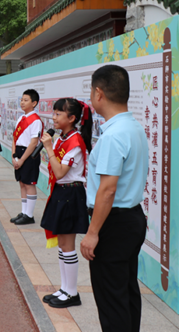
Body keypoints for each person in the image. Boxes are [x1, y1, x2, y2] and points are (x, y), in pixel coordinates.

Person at [80, 66, 148, 331]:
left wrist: (92, 232)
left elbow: (107, 190)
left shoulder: (114, 135)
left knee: (111, 300)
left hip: (113, 223)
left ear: (99, 93)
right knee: (126, 291)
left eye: (91, 92)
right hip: (131, 219)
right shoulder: (133, 127)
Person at [39, 98, 92, 309]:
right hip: (62, 192)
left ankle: (72, 293)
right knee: (62, 244)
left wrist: (48, 148)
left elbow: (60, 171)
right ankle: (64, 289)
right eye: (54, 113)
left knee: (68, 246)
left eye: (58, 113)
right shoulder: (63, 138)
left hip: (71, 194)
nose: (53, 117)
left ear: (72, 118)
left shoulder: (75, 141)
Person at [10, 89, 43, 226]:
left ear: (34, 103)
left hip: (29, 154)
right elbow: (15, 138)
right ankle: (24, 212)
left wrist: (22, 159)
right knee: (22, 183)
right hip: (19, 152)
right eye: (21, 100)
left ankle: (29, 215)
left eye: (26, 100)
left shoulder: (35, 120)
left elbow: (34, 143)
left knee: (29, 184)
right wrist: (14, 156)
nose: (22, 102)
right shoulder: (21, 118)